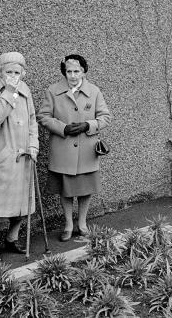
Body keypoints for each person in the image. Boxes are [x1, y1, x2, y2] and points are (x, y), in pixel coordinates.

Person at [37, 55, 111, 242]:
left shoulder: (94, 91)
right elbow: (43, 116)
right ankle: (68, 224)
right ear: (64, 72)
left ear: (84, 71)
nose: (72, 75)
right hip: (63, 150)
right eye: (69, 71)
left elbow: (105, 117)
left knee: (86, 189)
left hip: (87, 150)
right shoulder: (53, 91)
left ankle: (82, 223)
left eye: (76, 71)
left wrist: (88, 125)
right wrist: (62, 128)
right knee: (66, 189)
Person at [0, 52, 39, 262]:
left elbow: (32, 121)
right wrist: (9, 91)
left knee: (21, 202)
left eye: (17, 72)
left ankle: (12, 239)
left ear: (23, 73)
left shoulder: (26, 89)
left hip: (22, 154)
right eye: (9, 71)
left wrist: (33, 146)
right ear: (0, 72)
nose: (13, 76)